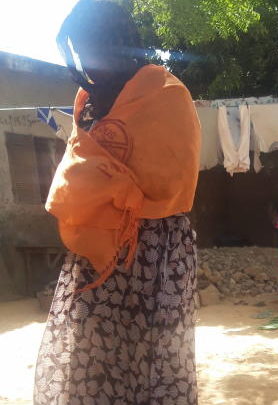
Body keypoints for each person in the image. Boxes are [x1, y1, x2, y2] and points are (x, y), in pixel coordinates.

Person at [34, 1, 200, 404]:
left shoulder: (167, 96)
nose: (87, 61)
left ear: (119, 42)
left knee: (155, 365)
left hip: (156, 253)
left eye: (93, 46)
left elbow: (176, 176)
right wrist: (102, 188)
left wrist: (117, 187)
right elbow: (77, 171)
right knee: (91, 365)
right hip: (96, 258)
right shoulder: (87, 102)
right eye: (80, 50)